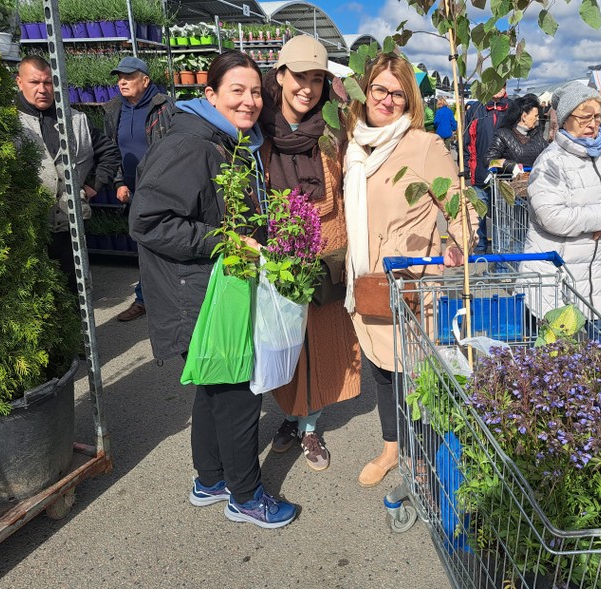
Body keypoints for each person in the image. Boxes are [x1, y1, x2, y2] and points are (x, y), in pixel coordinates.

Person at [130, 51, 297, 528]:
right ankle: (245, 496)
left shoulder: (226, 140)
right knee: (239, 394)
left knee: (213, 388)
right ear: (210, 95)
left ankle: (210, 480)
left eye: (255, 92)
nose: (249, 101)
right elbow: (147, 221)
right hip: (198, 296)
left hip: (210, 290)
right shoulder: (192, 145)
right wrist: (225, 241)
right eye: (236, 91)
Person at [344, 53, 476, 488]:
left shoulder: (423, 145)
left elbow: (459, 204)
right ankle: (391, 449)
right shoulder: (354, 144)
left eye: (398, 94)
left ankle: (420, 456)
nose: (387, 100)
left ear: (410, 101)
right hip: (366, 281)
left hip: (410, 284)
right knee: (382, 372)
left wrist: (459, 243)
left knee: (413, 374)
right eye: (379, 89)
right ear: (366, 91)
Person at [258, 35, 359, 472]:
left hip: (328, 247)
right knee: (284, 341)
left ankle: (310, 425)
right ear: (280, 76)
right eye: (300, 76)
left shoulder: (333, 129)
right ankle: (291, 413)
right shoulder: (258, 130)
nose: (308, 88)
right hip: (279, 252)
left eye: (317, 79)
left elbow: (351, 186)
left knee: (321, 342)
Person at [520, 82, 601, 342]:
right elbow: (551, 216)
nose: (593, 124)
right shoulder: (551, 161)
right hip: (557, 274)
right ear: (566, 119)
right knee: (553, 355)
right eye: (585, 117)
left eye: (598, 117)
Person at [15, 55, 119, 296]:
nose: (42, 89)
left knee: (73, 290)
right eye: (34, 82)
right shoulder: (10, 123)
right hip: (28, 227)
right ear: (19, 82)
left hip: (70, 225)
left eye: (48, 82)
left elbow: (110, 153)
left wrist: (93, 184)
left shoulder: (75, 120)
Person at [103, 56, 175, 322]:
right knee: (142, 245)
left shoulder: (165, 106)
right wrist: (119, 182)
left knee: (167, 242)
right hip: (134, 192)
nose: (122, 82)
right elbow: (112, 150)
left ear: (145, 80)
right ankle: (144, 299)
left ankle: (170, 298)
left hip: (164, 188)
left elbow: (175, 147)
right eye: (119, 77)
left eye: (129, 77)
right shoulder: (113, 110)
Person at [464, 84, 512, 252]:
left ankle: (501, 256)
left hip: (504, 176)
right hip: (480, 173)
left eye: (501, 83)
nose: (498, 87)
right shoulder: (476, 109)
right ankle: (480, 252)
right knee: (478, 216)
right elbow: (466, 141)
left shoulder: (513, 108)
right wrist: (465, 167)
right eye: (494, 83)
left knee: (502, 218)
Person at [484, 93, 549, 176]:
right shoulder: (503, 135)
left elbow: (549, 154)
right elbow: (488, 160)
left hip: (536, 180)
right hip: (510, 181)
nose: (538, 119)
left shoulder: (537, 135)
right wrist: (509, 165)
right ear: (524, 117)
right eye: (535, 116)